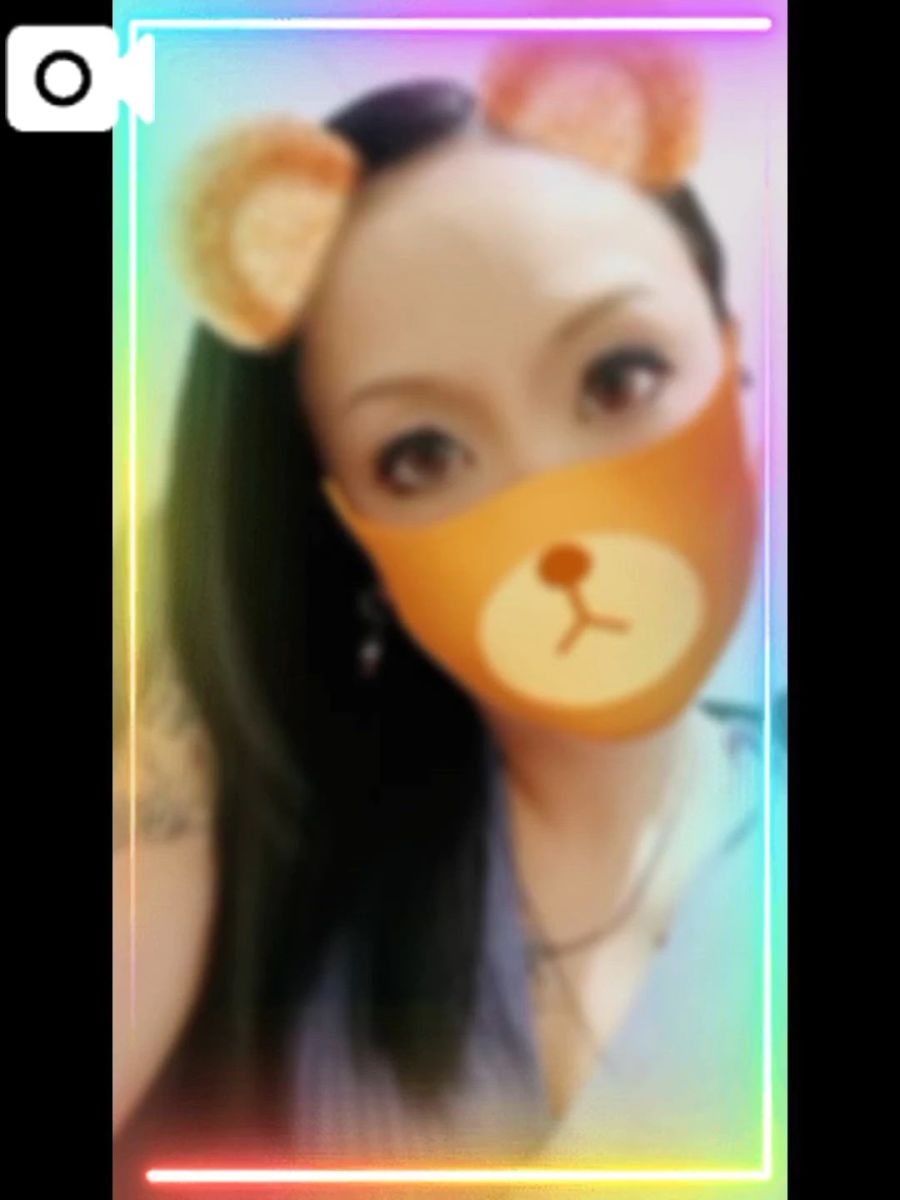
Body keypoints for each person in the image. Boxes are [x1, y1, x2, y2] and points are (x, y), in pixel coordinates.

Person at [113, 38, 786, 1189]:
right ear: (348, 527)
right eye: (422, 453)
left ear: (729, 361)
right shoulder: (263, 873)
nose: (551, 499)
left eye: (618, 377)